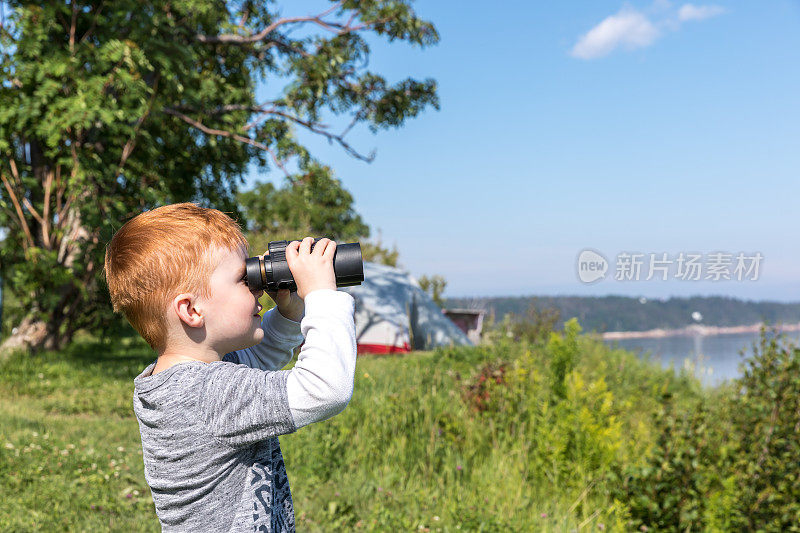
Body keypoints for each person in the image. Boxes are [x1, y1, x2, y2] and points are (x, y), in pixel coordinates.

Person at [103, 202, 356, 532]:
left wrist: (292, 311)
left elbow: (260, 360)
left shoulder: (185, 379)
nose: (257, 287)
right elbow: (325, 389)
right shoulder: (205, 393)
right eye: (243, 278)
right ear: (192, 309)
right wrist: (322, 294)